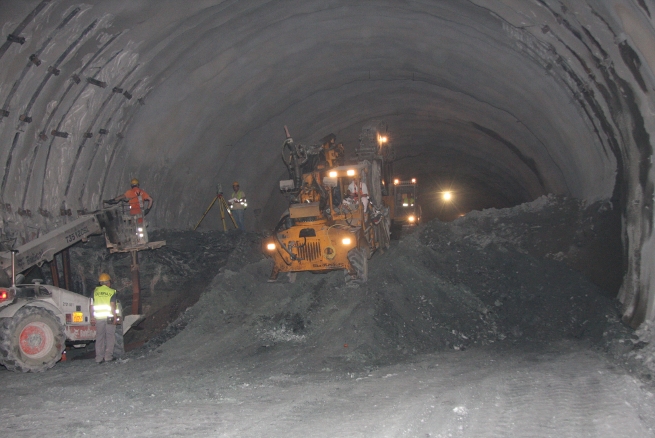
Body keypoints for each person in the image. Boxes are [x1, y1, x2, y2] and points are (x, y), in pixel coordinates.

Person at [93, 273, 118, 364]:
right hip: (109, 317)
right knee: (110, 336)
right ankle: (108, 357)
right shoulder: (111, 292)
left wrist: (92, 316)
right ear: (108, 282)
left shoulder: (95, 291)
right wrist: (115, 317)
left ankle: (99, 358)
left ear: (100, 282)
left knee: (100, 337)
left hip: (99, 317)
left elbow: (91, 305)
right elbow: (112, 305)